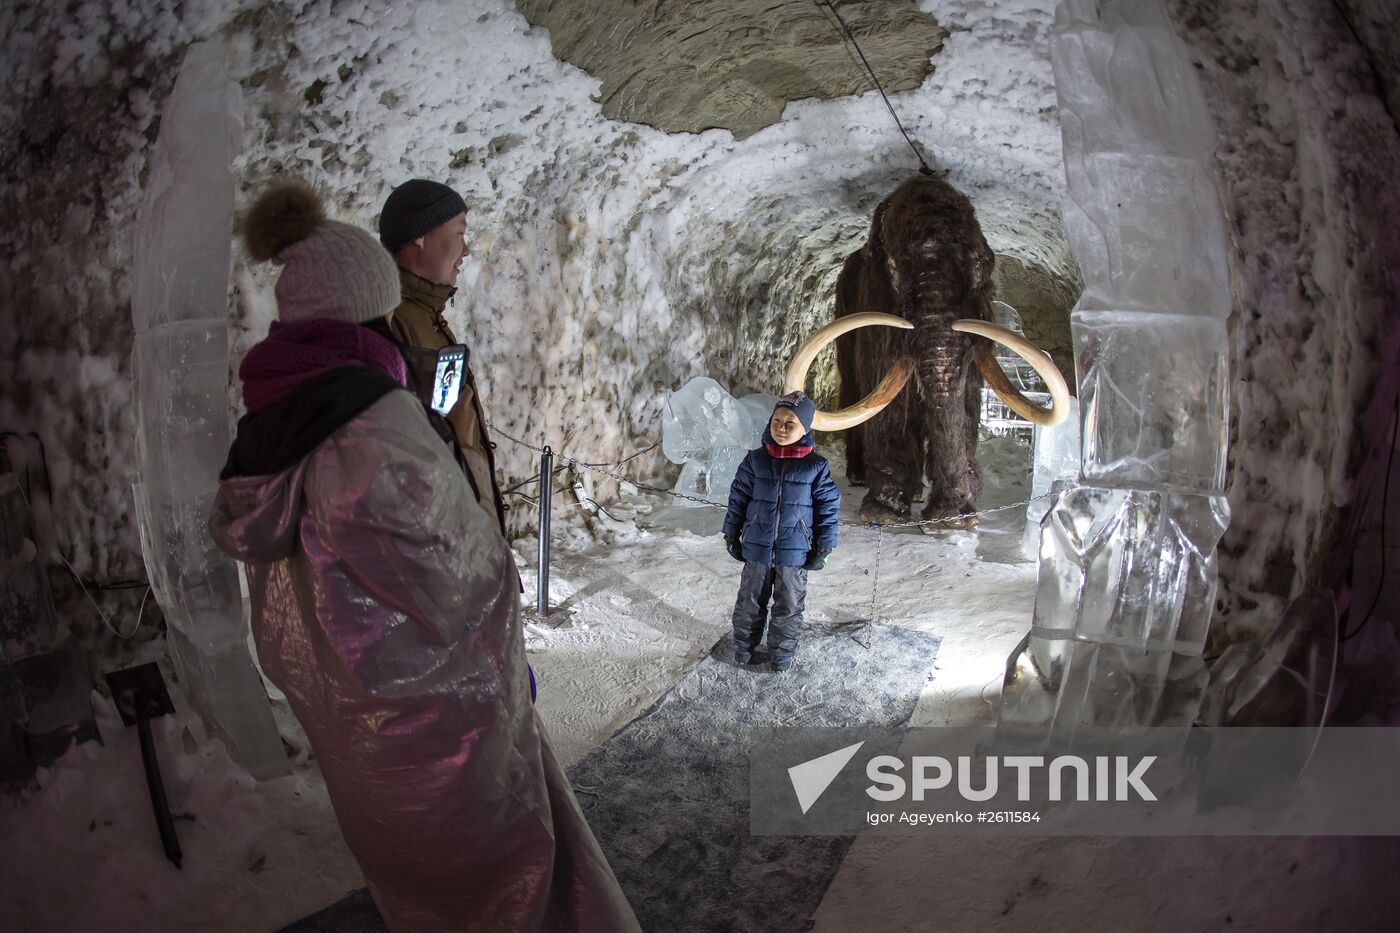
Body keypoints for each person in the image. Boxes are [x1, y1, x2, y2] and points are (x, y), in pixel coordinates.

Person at [208, 179, 640, 933]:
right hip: (432, 716)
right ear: (368, 305)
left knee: (417, 882)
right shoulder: (373, 427)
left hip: (361, 719)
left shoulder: (276, 419)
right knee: (497, 877)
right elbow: (461, 576)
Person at [377, 178, 506, 533]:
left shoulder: (423, 316)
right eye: (459, 233)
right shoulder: (391, 322)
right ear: (420, 236)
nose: (465, 251)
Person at [722, 392, 841, 673]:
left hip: (795, 550)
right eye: (777, 420)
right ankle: (743, 645)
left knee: (789, 604)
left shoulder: (816, 467)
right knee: (749, 600)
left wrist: (824, 545)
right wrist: (731, 532)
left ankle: (781, 653)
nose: (782, 427)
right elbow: (738, 498)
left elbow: (828, 508)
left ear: (805, 429)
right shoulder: (755, 461)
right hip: (757, 547)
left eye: (791, 423)